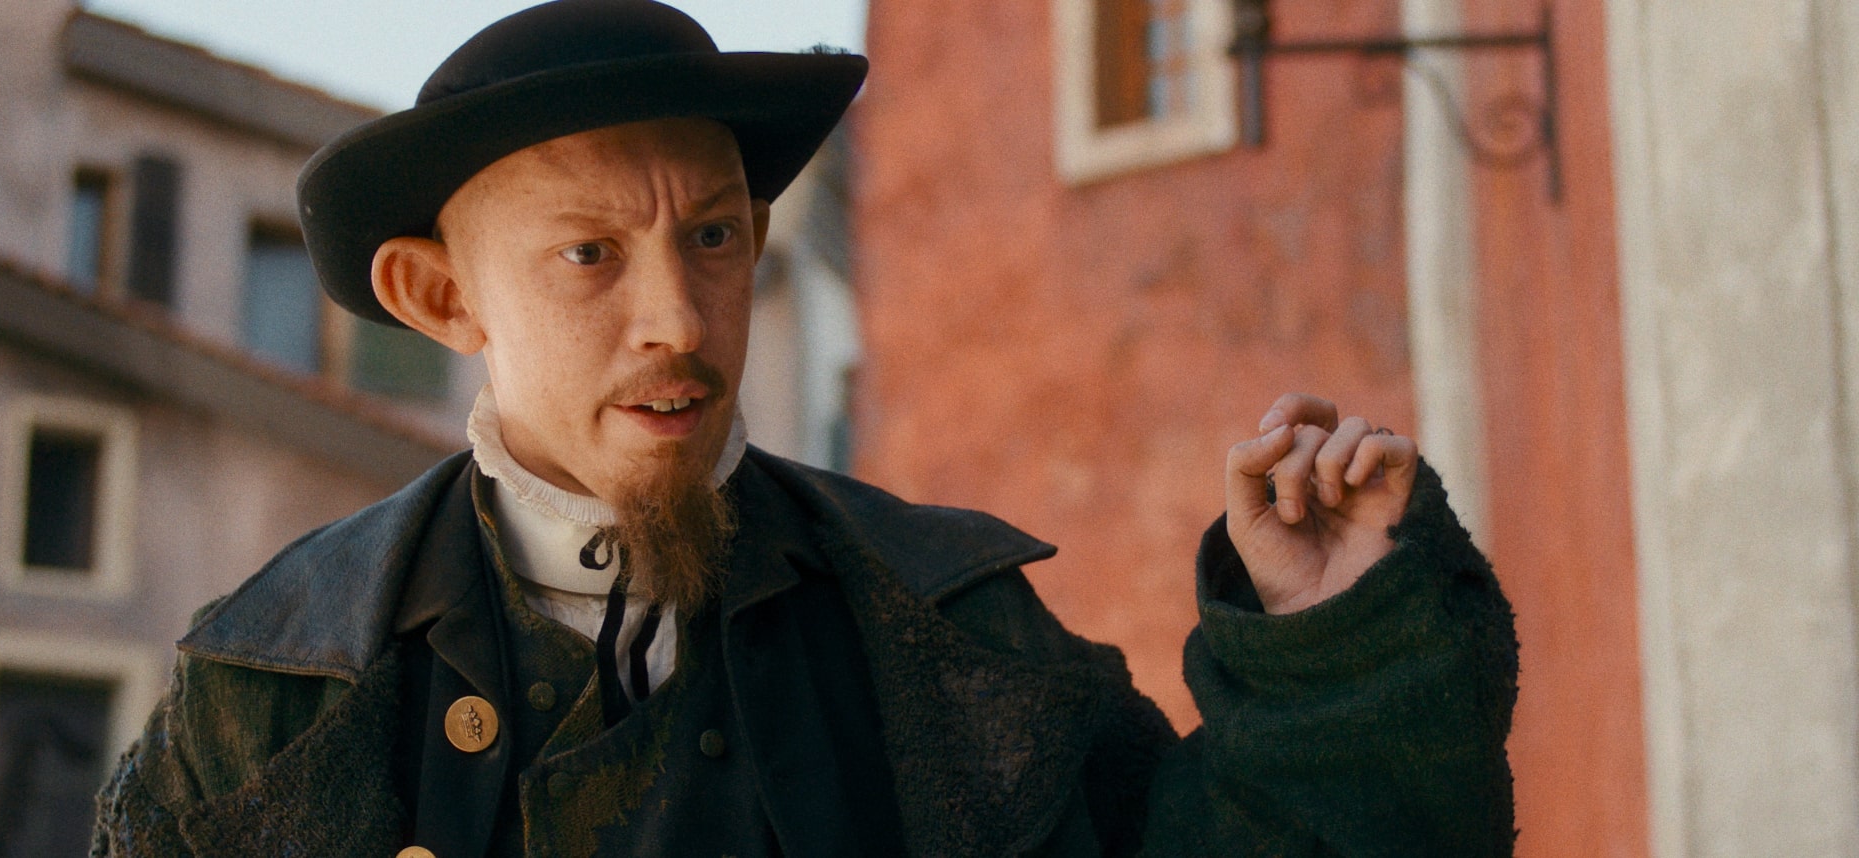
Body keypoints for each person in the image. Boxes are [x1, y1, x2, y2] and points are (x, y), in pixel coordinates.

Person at [90, 0, 1518, 855]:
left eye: (714, 236)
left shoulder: (950, 623)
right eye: (590, 255)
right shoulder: (274, 689)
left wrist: (1331, 643)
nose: (679, 316)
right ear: (441, 296)